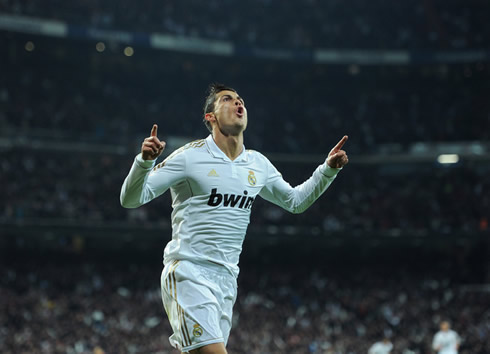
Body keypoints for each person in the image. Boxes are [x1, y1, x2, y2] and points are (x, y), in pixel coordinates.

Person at [120, 83, 349, 354]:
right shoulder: (190, 156)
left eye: (240, 100)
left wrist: (328, 170)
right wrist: (144, 162)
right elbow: (131, 199)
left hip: (227, 280)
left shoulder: (257, 164)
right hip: (189, 273)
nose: (238, 103)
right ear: (211, 117)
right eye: (228, 100)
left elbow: (295, 202)